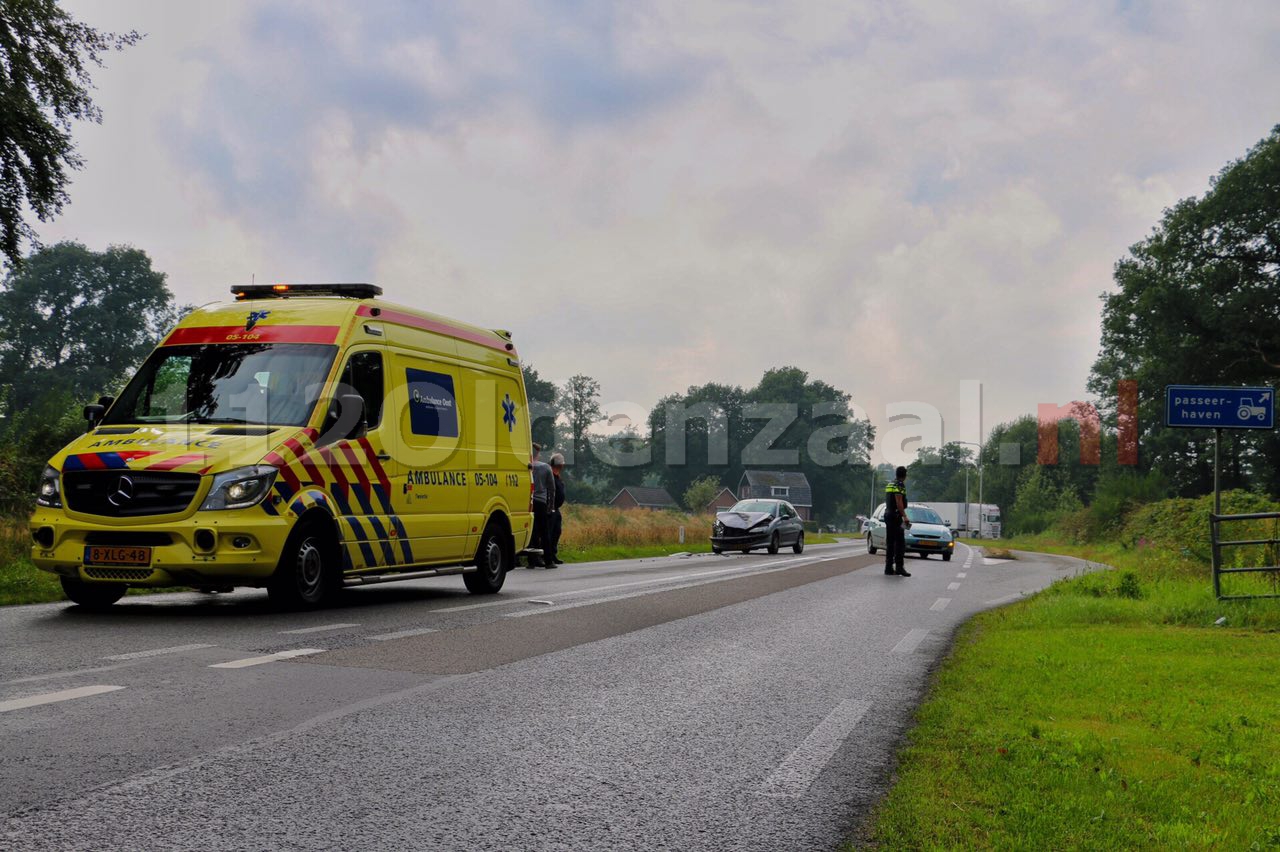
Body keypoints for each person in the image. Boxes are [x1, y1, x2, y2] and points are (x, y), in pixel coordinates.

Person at [528, 443, 555, 568]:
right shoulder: (546, 468)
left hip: (529, 501)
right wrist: (550, 506)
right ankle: (548, 561)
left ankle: (531, 561)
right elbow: (552, 489)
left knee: (532, 532)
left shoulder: (527, 466)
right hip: (541, 502)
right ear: (538, 454)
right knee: (544, 532)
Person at [884, 465, 912, 577]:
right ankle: (900, 567)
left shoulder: (890, 484)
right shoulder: (900, 485)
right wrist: (904, 516)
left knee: (890, 543)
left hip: (888, 514)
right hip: (896, 516)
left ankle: (888, 568)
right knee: (900, 542)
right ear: (905, 476)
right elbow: (899, 501)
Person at [546, 453, 566, 565]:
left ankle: (553, 553)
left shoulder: (557, 476)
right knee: (549, 531)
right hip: (550, 507)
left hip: (556, 508)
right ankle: (547, 555)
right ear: (559, 464)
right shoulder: (550, 475)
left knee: (557, 531)